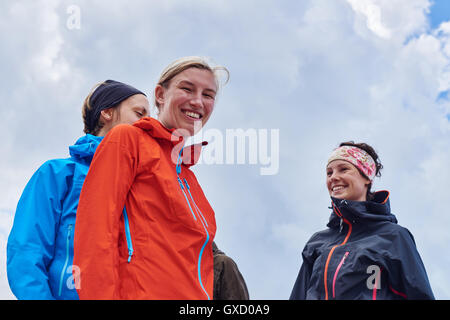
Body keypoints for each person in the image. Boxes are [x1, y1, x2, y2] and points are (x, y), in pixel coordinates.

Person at [73, 56, 236, 300]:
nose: (197, 101)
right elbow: (94, 232)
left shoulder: (188, 177)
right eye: (187, 88)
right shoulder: (127, 139)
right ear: (160, 95)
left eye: (208, 95)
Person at [7, 80, 149, 300]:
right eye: (140, 113)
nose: (148, 123)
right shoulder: (59, 173)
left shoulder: (144, 185)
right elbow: (26, 253)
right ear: (107, 113)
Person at [290, 141, 435, 300]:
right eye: (329, 173)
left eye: (344, 169)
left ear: (367, 177)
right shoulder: (317, 242)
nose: (334, 178)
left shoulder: (394, 237)